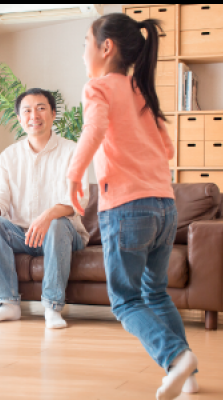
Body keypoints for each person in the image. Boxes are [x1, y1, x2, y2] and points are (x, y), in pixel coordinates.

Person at [67, 14, 198, 400]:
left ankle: (176, 357)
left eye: (85, 42)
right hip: (165, 206)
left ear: (106, 47)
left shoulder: (97, 87)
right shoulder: (142, 90)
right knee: (156, 293)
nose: (83, 51)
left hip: (126, 208)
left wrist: (74, 175)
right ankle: (188, 373)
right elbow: (167, 148)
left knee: (125, 301)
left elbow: (94, 129)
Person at [0, 88, 90, 328]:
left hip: (64, 234)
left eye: (41, 109)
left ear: (53, 114)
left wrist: (48, 216)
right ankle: (8, 304)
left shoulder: (72, 151)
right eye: (27, 111)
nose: (34, 116)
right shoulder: (9, 156)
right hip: (23, 235)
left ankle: (52, 307)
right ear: (20, 118)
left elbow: (78, 200)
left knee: (57, 223)